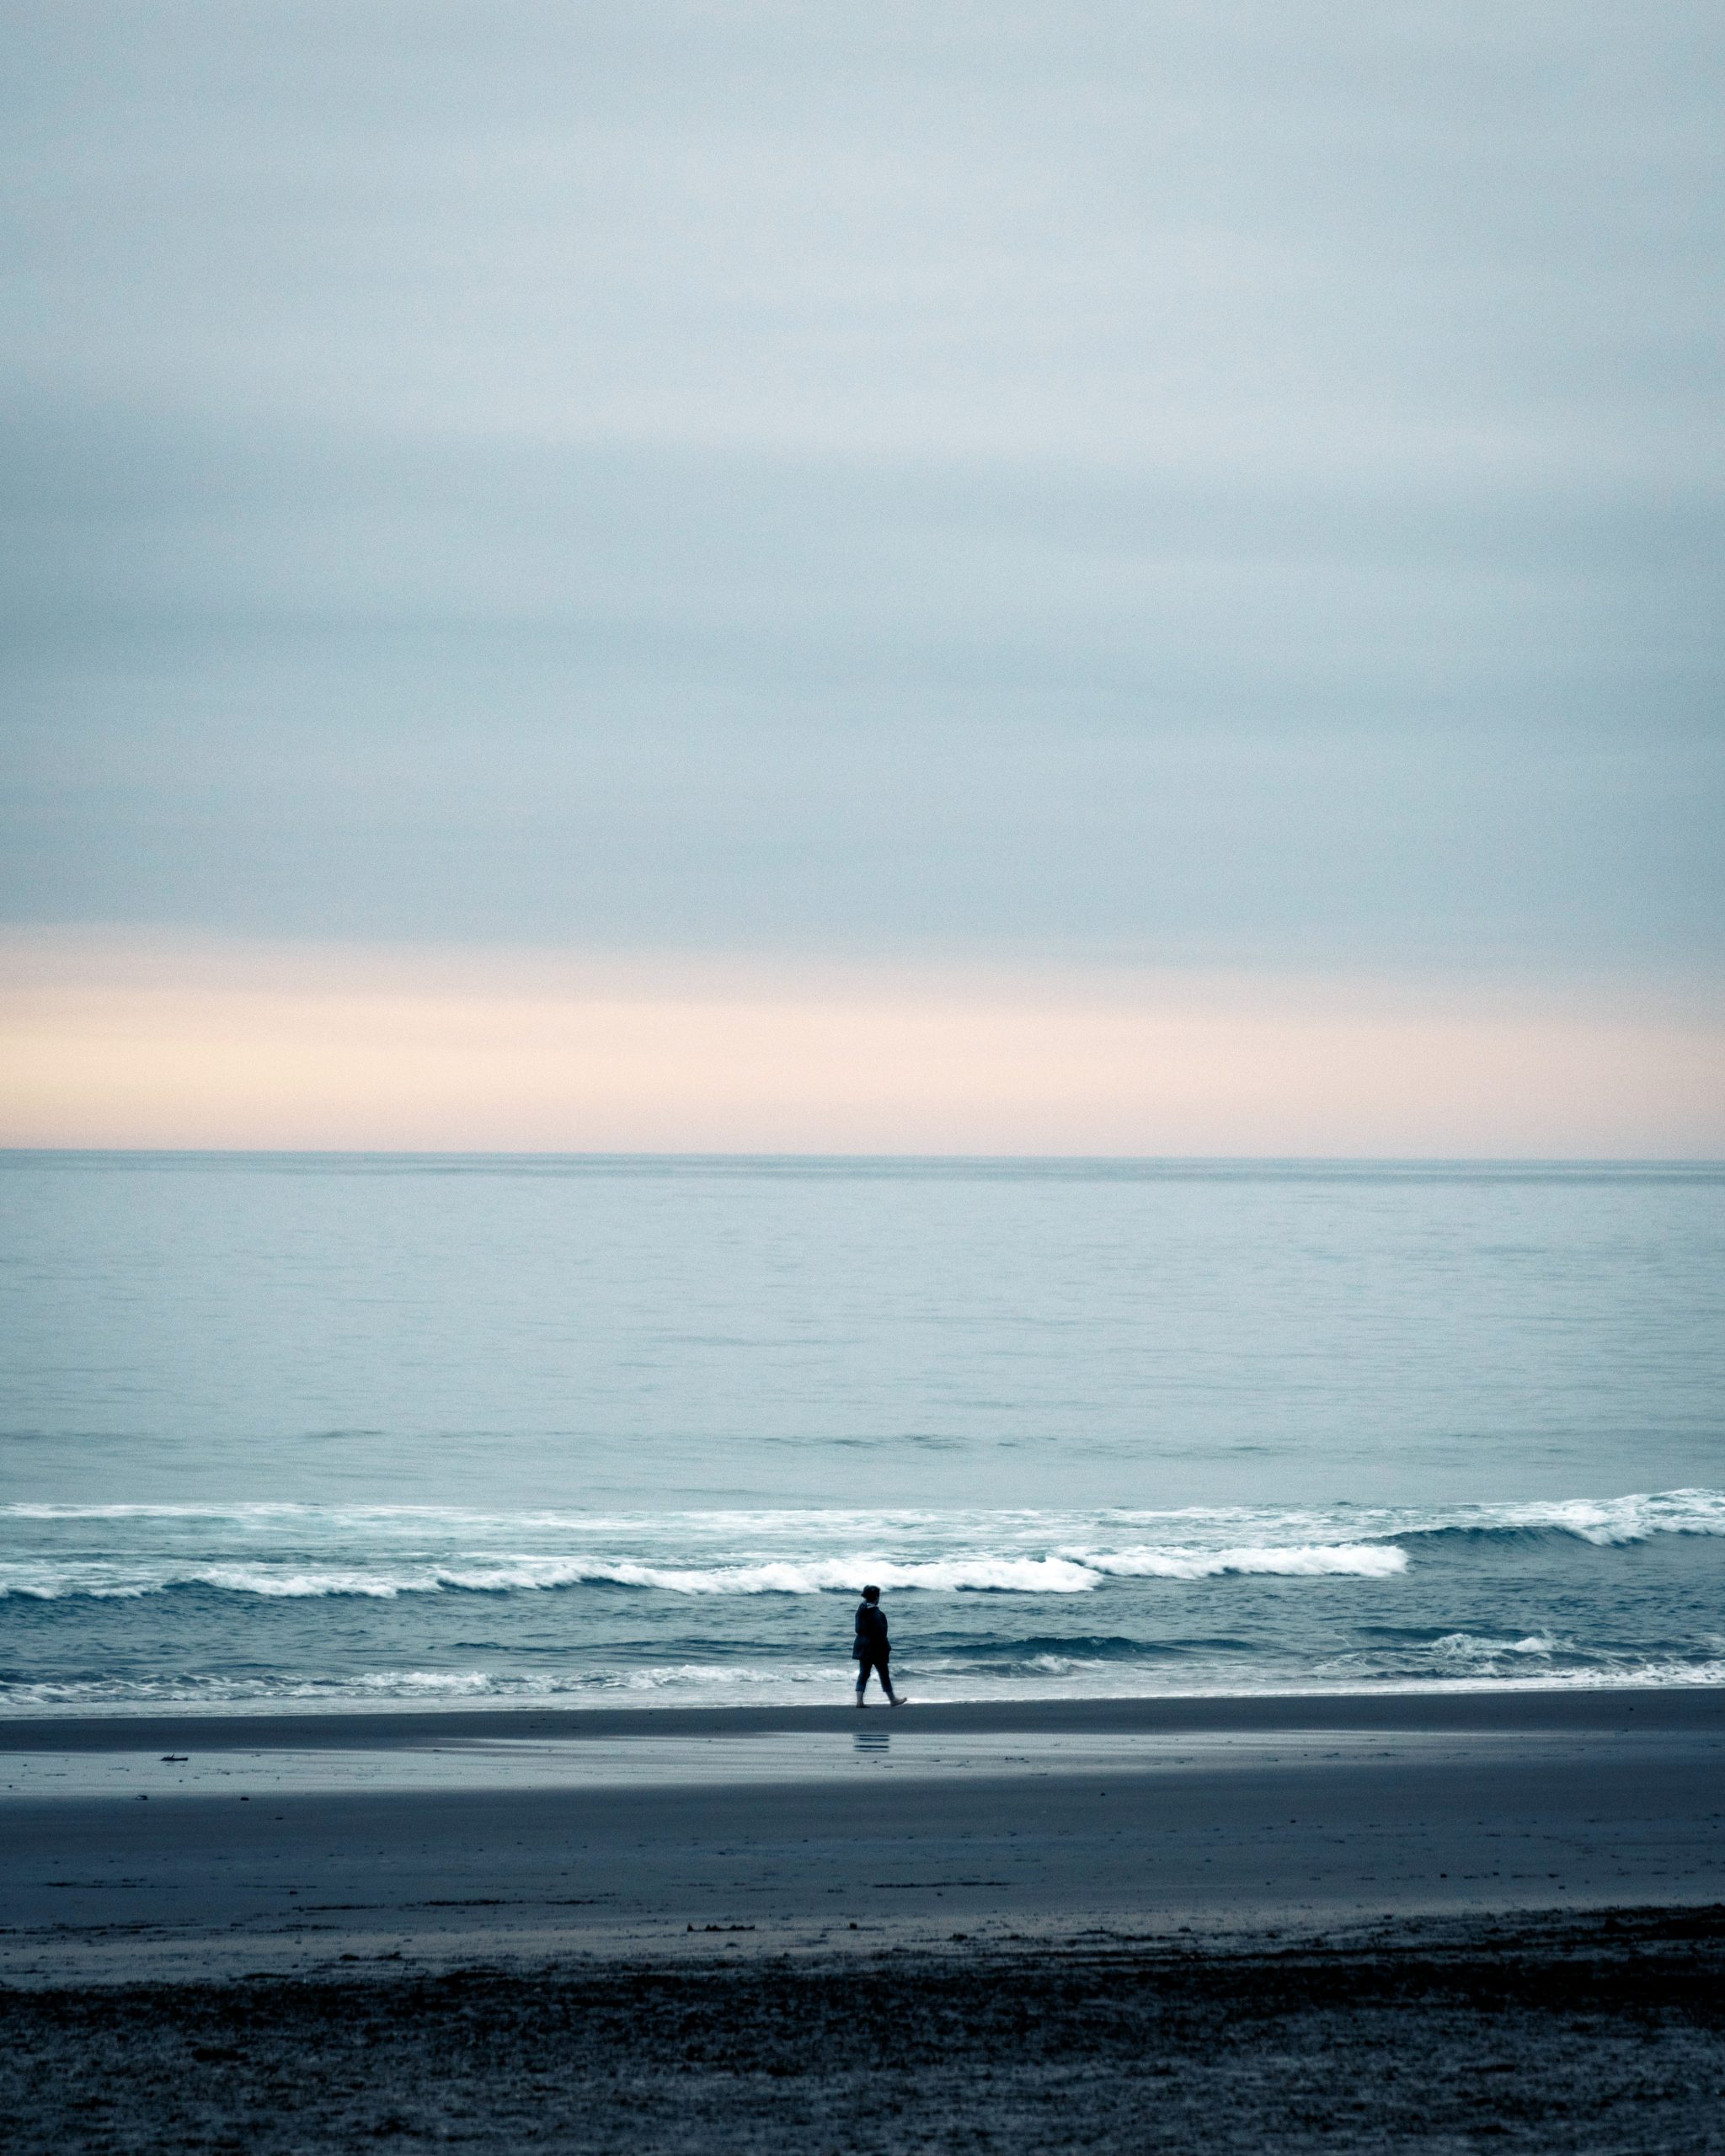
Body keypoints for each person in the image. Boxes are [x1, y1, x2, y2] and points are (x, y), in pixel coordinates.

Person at [852, 1582, 905, 1706]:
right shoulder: (878, 1615)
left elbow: (858, 1630)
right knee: (884, 1674)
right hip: (876, 1649)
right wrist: (886, 1648)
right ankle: (892, 1699)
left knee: (864, 1674)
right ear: (876, 1598)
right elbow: (882, 1634)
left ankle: (859, 1701)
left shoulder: (860, 1612)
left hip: (862, 1647)